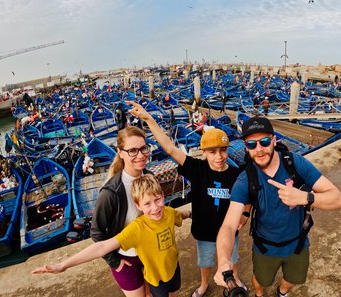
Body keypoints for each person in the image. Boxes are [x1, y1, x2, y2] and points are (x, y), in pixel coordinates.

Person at [214, 116, 341, 297]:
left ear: (274, 140)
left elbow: (338, 199)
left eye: (265, 142)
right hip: (265, 247)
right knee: (260, 282)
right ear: (246, 147)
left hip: (297, 243)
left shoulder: (295, 163)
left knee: (292, 280)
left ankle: (281, 292)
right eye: (252, 144)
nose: (259, 150)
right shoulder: (245, 179)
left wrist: (305, 197)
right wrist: (223, 261)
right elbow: (228, 225)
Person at [127, 101, 245, 297]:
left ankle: (236, 280)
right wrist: (148, 119)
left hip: (230, 231)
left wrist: (245, 214)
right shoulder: (197, 169)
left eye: (223, 150)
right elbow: (171, 149)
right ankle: (204, 283)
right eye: (213, 152)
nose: (219, 156)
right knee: (205, 262)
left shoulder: (236, 173)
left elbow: (247, 194)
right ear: (204, 153)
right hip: (204, 231)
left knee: (232, 260)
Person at [32, 174, 192, 297]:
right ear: (138, 206)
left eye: (157, 200)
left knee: (175, 293)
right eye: (147, 204)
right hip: (156, 278)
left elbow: (182, 214)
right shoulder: (137, 228)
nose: (155, 208)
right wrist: (63, 265)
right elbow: (101, 247)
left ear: (163, 196)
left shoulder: (169, 213)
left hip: (174, 268)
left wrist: (192, 213)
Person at [89, 126, 152, 297]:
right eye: (132, 150)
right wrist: (114, 262)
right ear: (120, 152)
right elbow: (96, 232)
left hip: (150, 253)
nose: (140, 155)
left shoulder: (150, 177)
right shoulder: (110, 193)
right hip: (126, 258)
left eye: (143, 148)